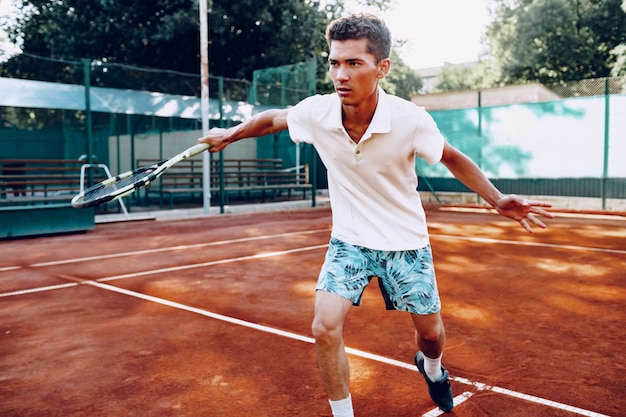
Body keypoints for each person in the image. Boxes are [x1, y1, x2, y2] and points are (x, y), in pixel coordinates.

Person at [199, 13, 553, 416]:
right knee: (323, 327)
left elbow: (452, 156)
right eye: (334, 63)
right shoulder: (317, 112)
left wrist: (496, 199)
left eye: (354, 63)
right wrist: (231, 135)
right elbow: (275, 119)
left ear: (382, 67)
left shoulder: (409, 119)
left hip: (406, 243)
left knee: (432, 335)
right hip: (349, 241)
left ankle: (433, 368)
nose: (341, 75)